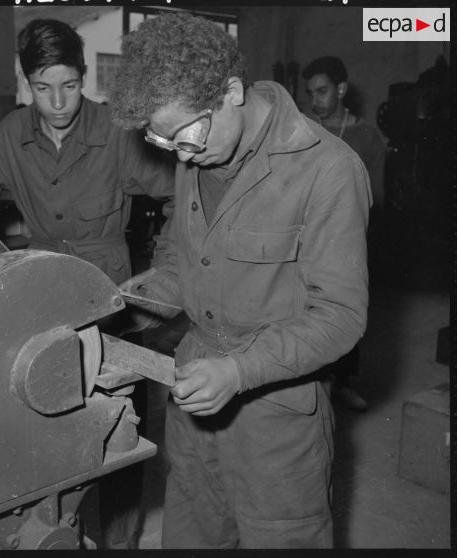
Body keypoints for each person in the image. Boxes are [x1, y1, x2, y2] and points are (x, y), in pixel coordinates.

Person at [110, 12, 372, 549]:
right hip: (193, 413)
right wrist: (117, 308)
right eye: (163, 143)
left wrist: (239, 370)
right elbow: (186, 267)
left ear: (231, 91)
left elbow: (341, 317)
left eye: (185, 136)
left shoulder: (328, 170)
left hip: (277, 427)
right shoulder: (198, 151)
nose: (180, 156)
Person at [0, 18, 175, 549]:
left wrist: (165, 271)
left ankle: (121, 543)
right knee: (44, 429)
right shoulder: (12, 134)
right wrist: (0, 274)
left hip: (113, 306)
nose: (58, 102)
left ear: (84, 77)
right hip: (40, 309)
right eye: (43, 88)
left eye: (70, 86)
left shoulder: (117, 134)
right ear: (27, 82)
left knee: (120, 437)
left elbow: (178, 196)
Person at [303, 56, 386, 411]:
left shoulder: (365, 135)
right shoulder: (305, 130)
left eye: (322, 91)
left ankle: (343, 381)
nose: (315, 100)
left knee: (343, 308)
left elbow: (377, 197)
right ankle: (312, 379)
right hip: (306, 236)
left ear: (340, 89)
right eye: (310, 93)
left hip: (348, 238)